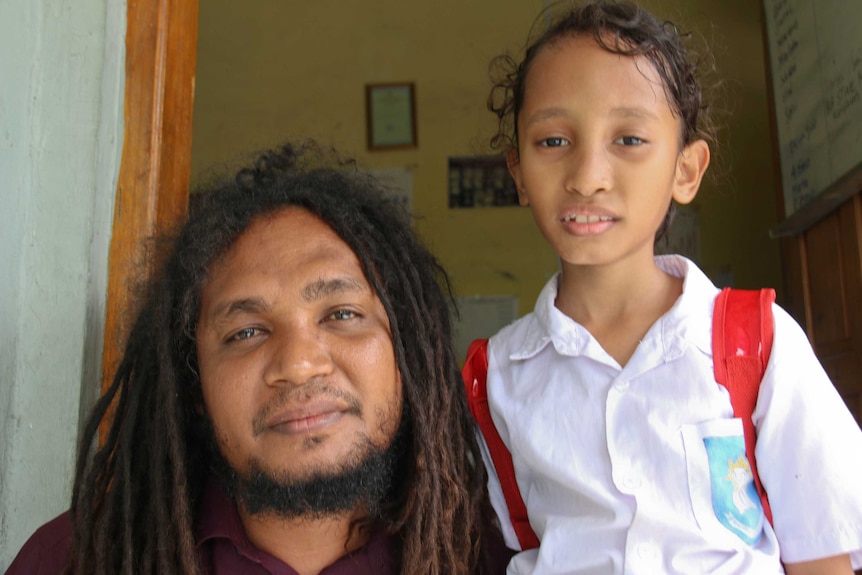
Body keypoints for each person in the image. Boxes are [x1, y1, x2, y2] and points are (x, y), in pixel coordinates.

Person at [475, 1, 862, 574]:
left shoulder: (755, 344)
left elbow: (821, 555)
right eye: (553, 141)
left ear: (686, 171)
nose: (587, 176)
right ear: (518, 173)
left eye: (628, 140)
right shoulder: (499, 377)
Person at [7, 142, 513, 575]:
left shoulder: (501, 559)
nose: (298, 364)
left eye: (341, 313)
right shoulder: (80, 561)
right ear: (195, 386)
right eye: (246, 331)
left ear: (409, 359)